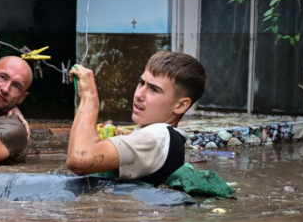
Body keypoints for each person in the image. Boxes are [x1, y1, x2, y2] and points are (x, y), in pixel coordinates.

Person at [66, 51, 206, 186]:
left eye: (154, 89)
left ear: (181, 105)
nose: (139, 94)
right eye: (141, 82)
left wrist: (89, 97)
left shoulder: (158, 135)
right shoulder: (168, 139)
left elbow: (80, 159)